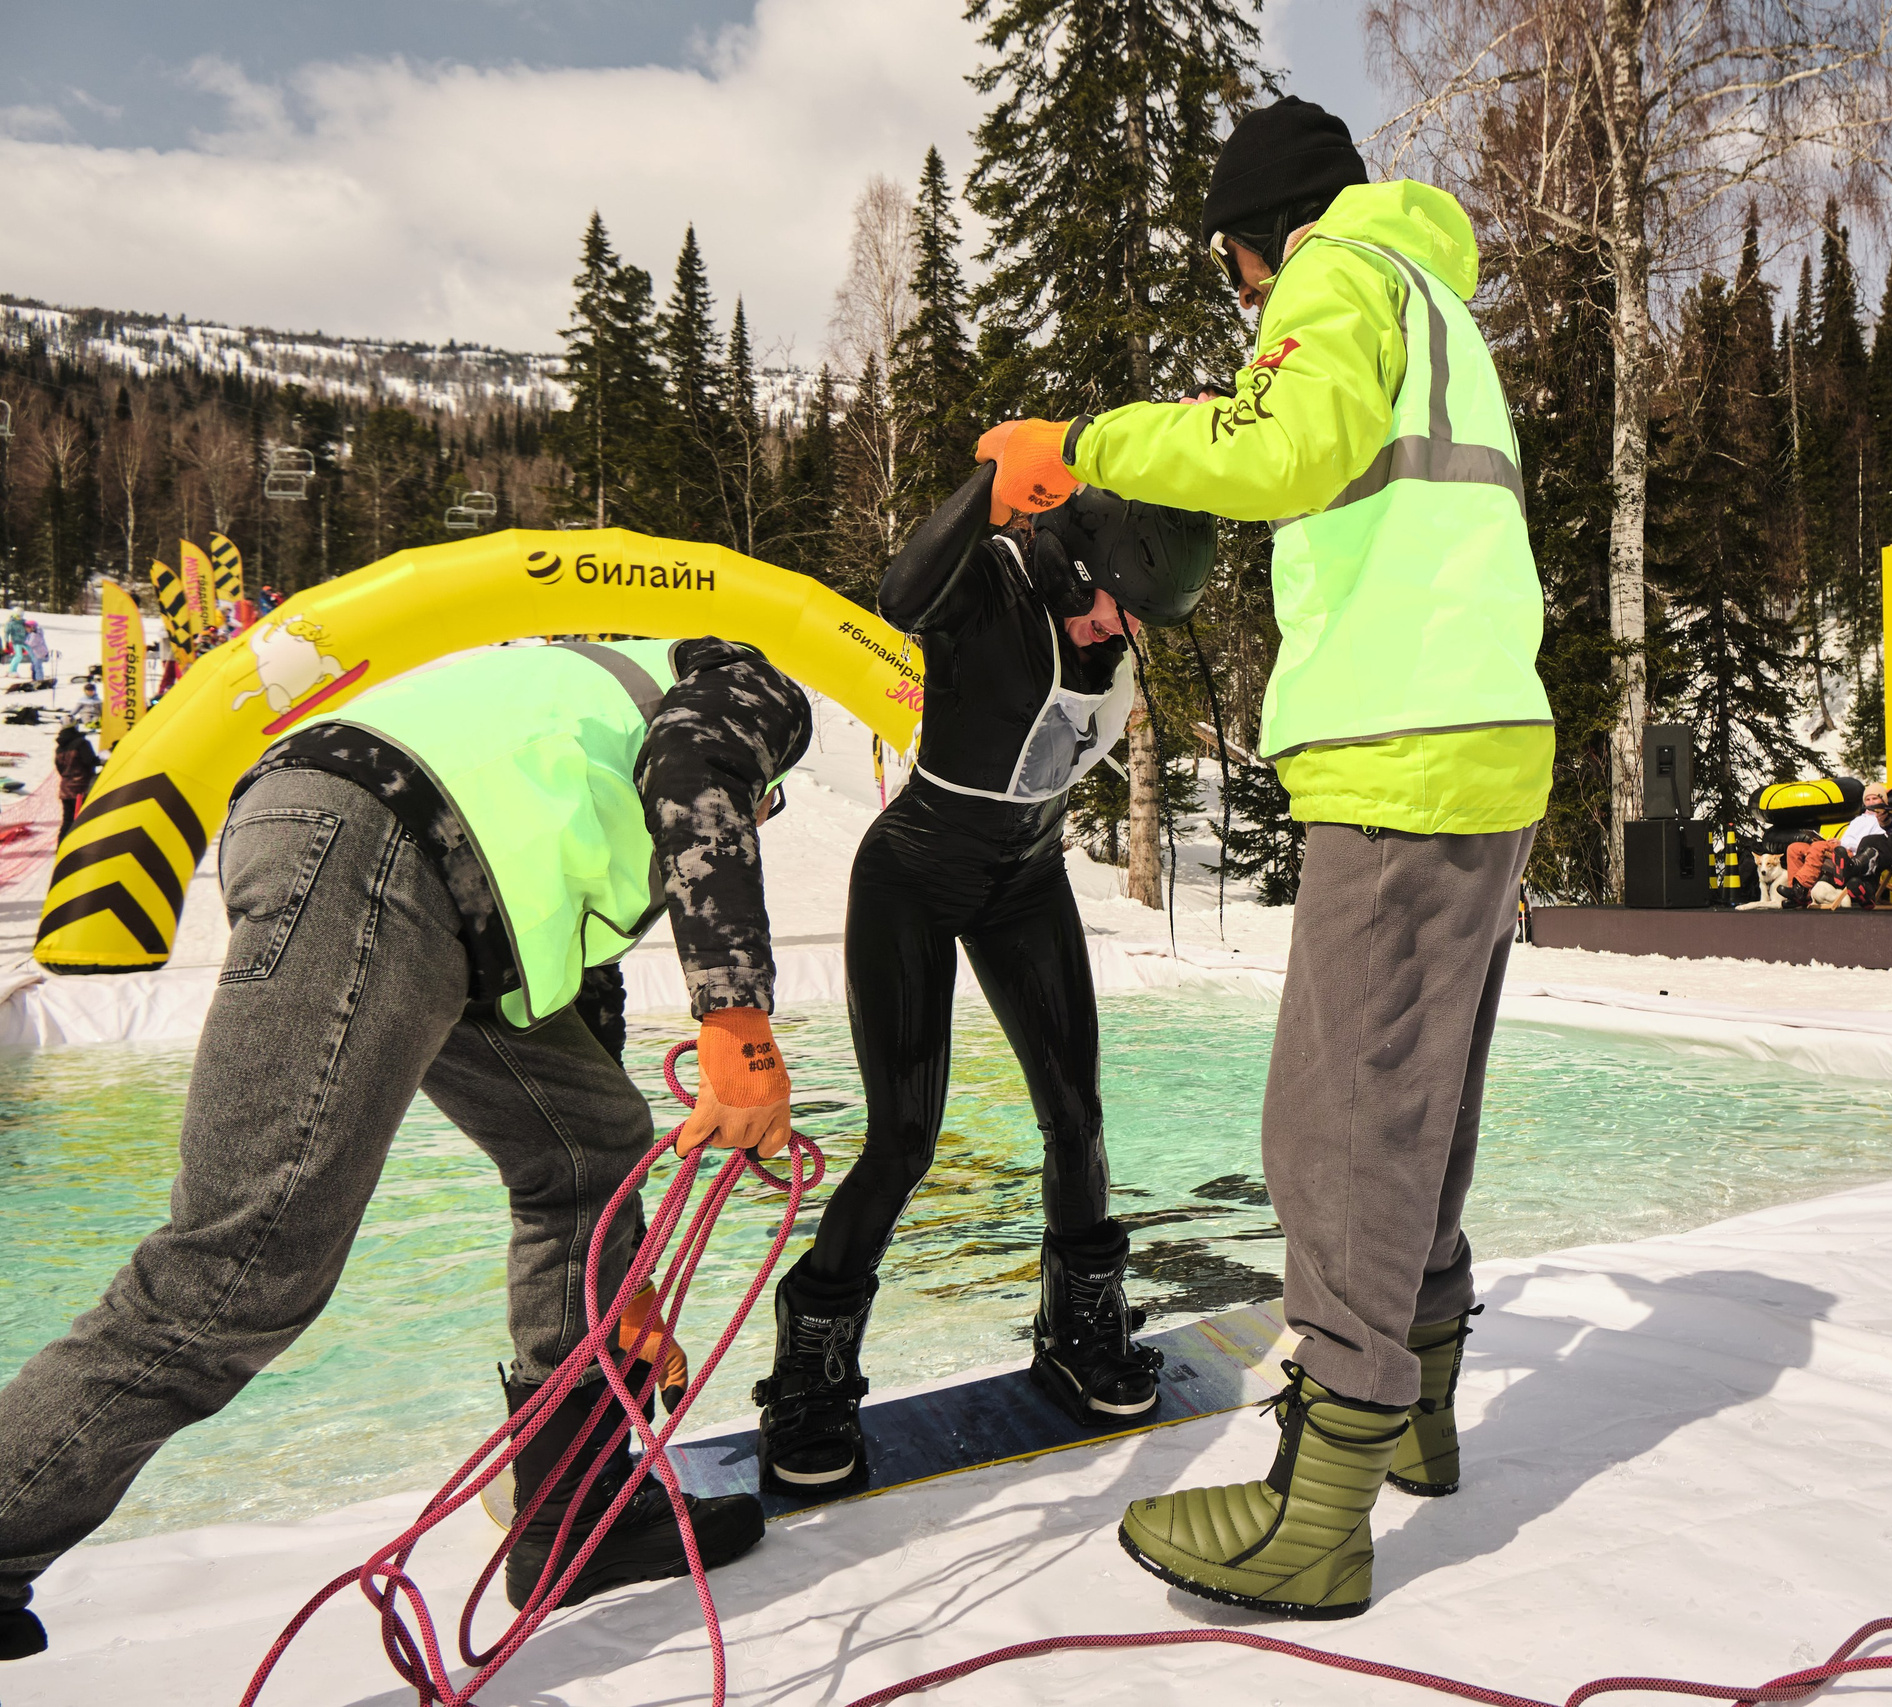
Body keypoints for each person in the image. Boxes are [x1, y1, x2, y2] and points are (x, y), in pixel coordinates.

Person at [977, 96, 1553, 1618]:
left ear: (1264, 235)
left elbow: (1289, 439)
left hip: (1403, 743)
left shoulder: (1334, 275)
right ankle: (1416, 1407)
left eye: (1236, 269)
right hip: (1486, 734)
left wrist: (1080, 444)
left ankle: (1321, 1501)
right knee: (1422, 1101)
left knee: (1336, 1123)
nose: (1244, 300)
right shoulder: (1433, 299)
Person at [0, 637, 813, 1662]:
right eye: (765, 806)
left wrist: (624, 1289)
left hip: (420, 879)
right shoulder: (751, 686)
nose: (759, 820)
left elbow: (579, 1009)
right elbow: (699, 770)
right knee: (242, 1261)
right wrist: (737, 1017)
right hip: (382, 852)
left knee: (590, 1150)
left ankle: (574, 1509)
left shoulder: (567, 734)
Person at [751, 469, 1215, 1493]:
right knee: (904, 1141)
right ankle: (808, 1375)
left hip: (1027, 875)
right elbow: (898, 594)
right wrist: (990, 485)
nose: (1115, 634)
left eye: (1135, 623)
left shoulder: (1112, 618)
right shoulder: (994, 585)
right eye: (1111, 609)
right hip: (914, 875)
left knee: (1077, 1116)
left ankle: (1076, 1329)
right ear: (1080, 567)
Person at [51, 725, 98, 839]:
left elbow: (59, 768)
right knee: (82, 821)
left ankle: (61, 848)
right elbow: (90, 761)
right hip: (81, 788)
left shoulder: (60, 748)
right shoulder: (81, 744)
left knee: (67, 821)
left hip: (65, 789)